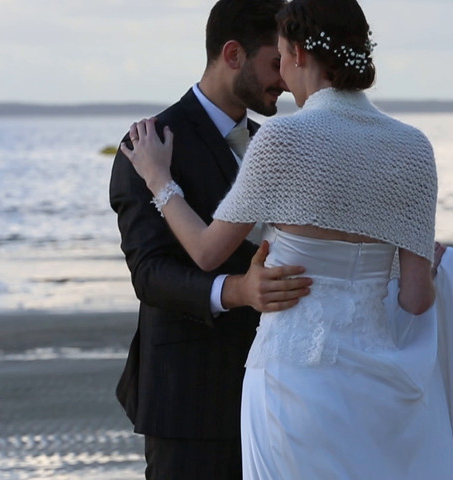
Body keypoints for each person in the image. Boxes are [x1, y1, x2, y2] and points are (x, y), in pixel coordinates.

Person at [123, 0, 453, 478]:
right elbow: (414, 300)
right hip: (377, 385)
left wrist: (160, 182)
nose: (283, 75)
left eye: (282, 56)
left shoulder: (281, 139)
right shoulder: (414, 147)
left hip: (291, 385)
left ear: (301, 53)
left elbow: (205, 252)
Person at [108, 1, 313, 478]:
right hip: (187, 399)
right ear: (233, 54)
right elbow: (150, 273)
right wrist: (237, 291)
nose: (285, 79)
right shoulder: (151, 144)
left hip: (278, 393)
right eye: (275, 63)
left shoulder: (275, 143)